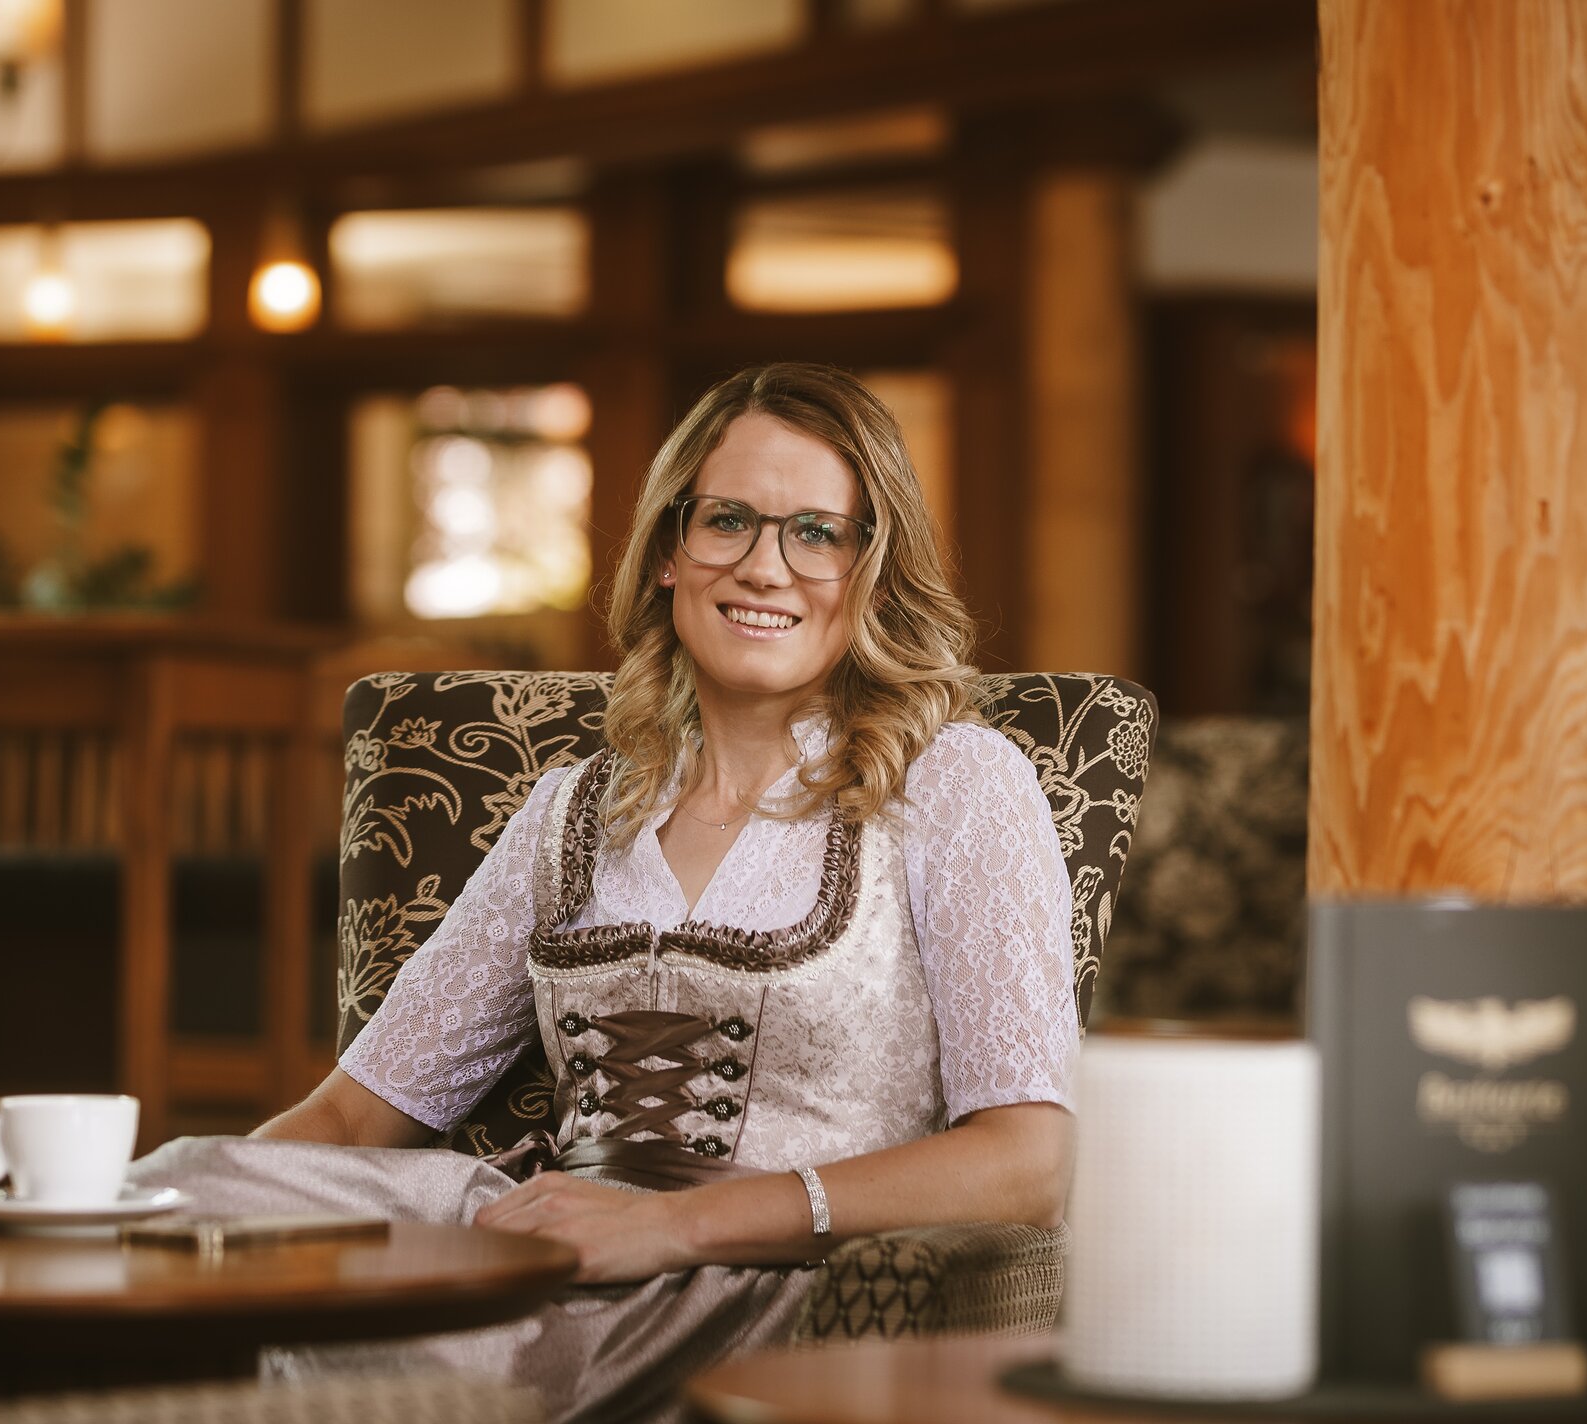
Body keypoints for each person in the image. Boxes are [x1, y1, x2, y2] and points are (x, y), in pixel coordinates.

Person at [133, 363, 1077, 1422]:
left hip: (766, 1290)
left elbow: (1029, 1160)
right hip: (541, 1250)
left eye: (818, 532)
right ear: (671, 550)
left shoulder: (956, 783)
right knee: (177, 1179)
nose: (767, 566)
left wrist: (675, 1226)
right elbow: (355, 1117)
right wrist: (200, 1234)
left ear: (871, 569)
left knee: (280, 1321)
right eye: (729, 520)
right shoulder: (572, 807)